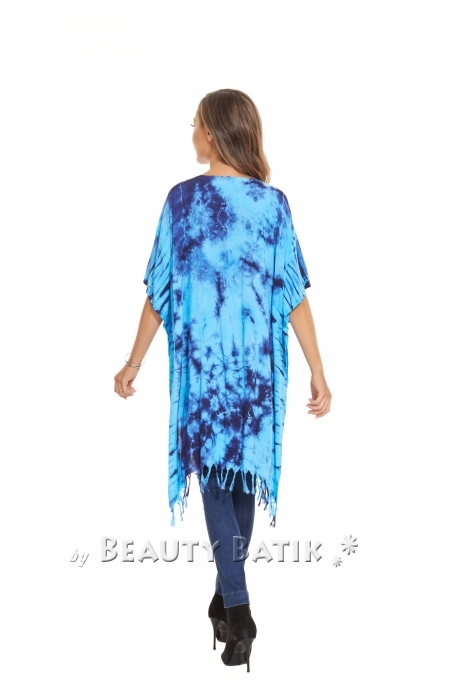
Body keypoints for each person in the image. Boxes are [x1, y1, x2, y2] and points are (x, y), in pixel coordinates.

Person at [114, 89, 332, 672]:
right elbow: (293, 296)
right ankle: (226, 598)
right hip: (256, 374)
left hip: (205, 373)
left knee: (221, 481)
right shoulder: (272, 205)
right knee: (235, 483)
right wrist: (316, 370)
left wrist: (133, 363)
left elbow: (159, 293)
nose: (191, 132)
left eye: (195, 124)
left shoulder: (182, 201)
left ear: (212, 131)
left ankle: (238, 608)